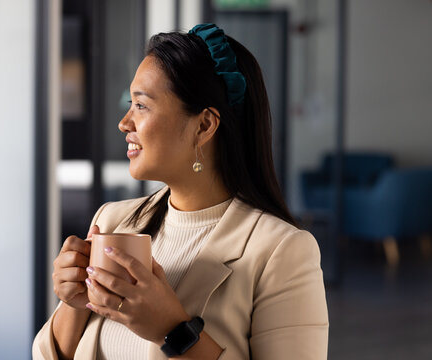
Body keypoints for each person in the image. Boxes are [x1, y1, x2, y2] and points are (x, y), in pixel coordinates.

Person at [33, 23, 328, 359]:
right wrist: (75, 304)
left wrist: (172, 330)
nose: (124, 122)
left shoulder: (282, 252)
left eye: (141, 106)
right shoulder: (113, 222)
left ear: (203, 125)